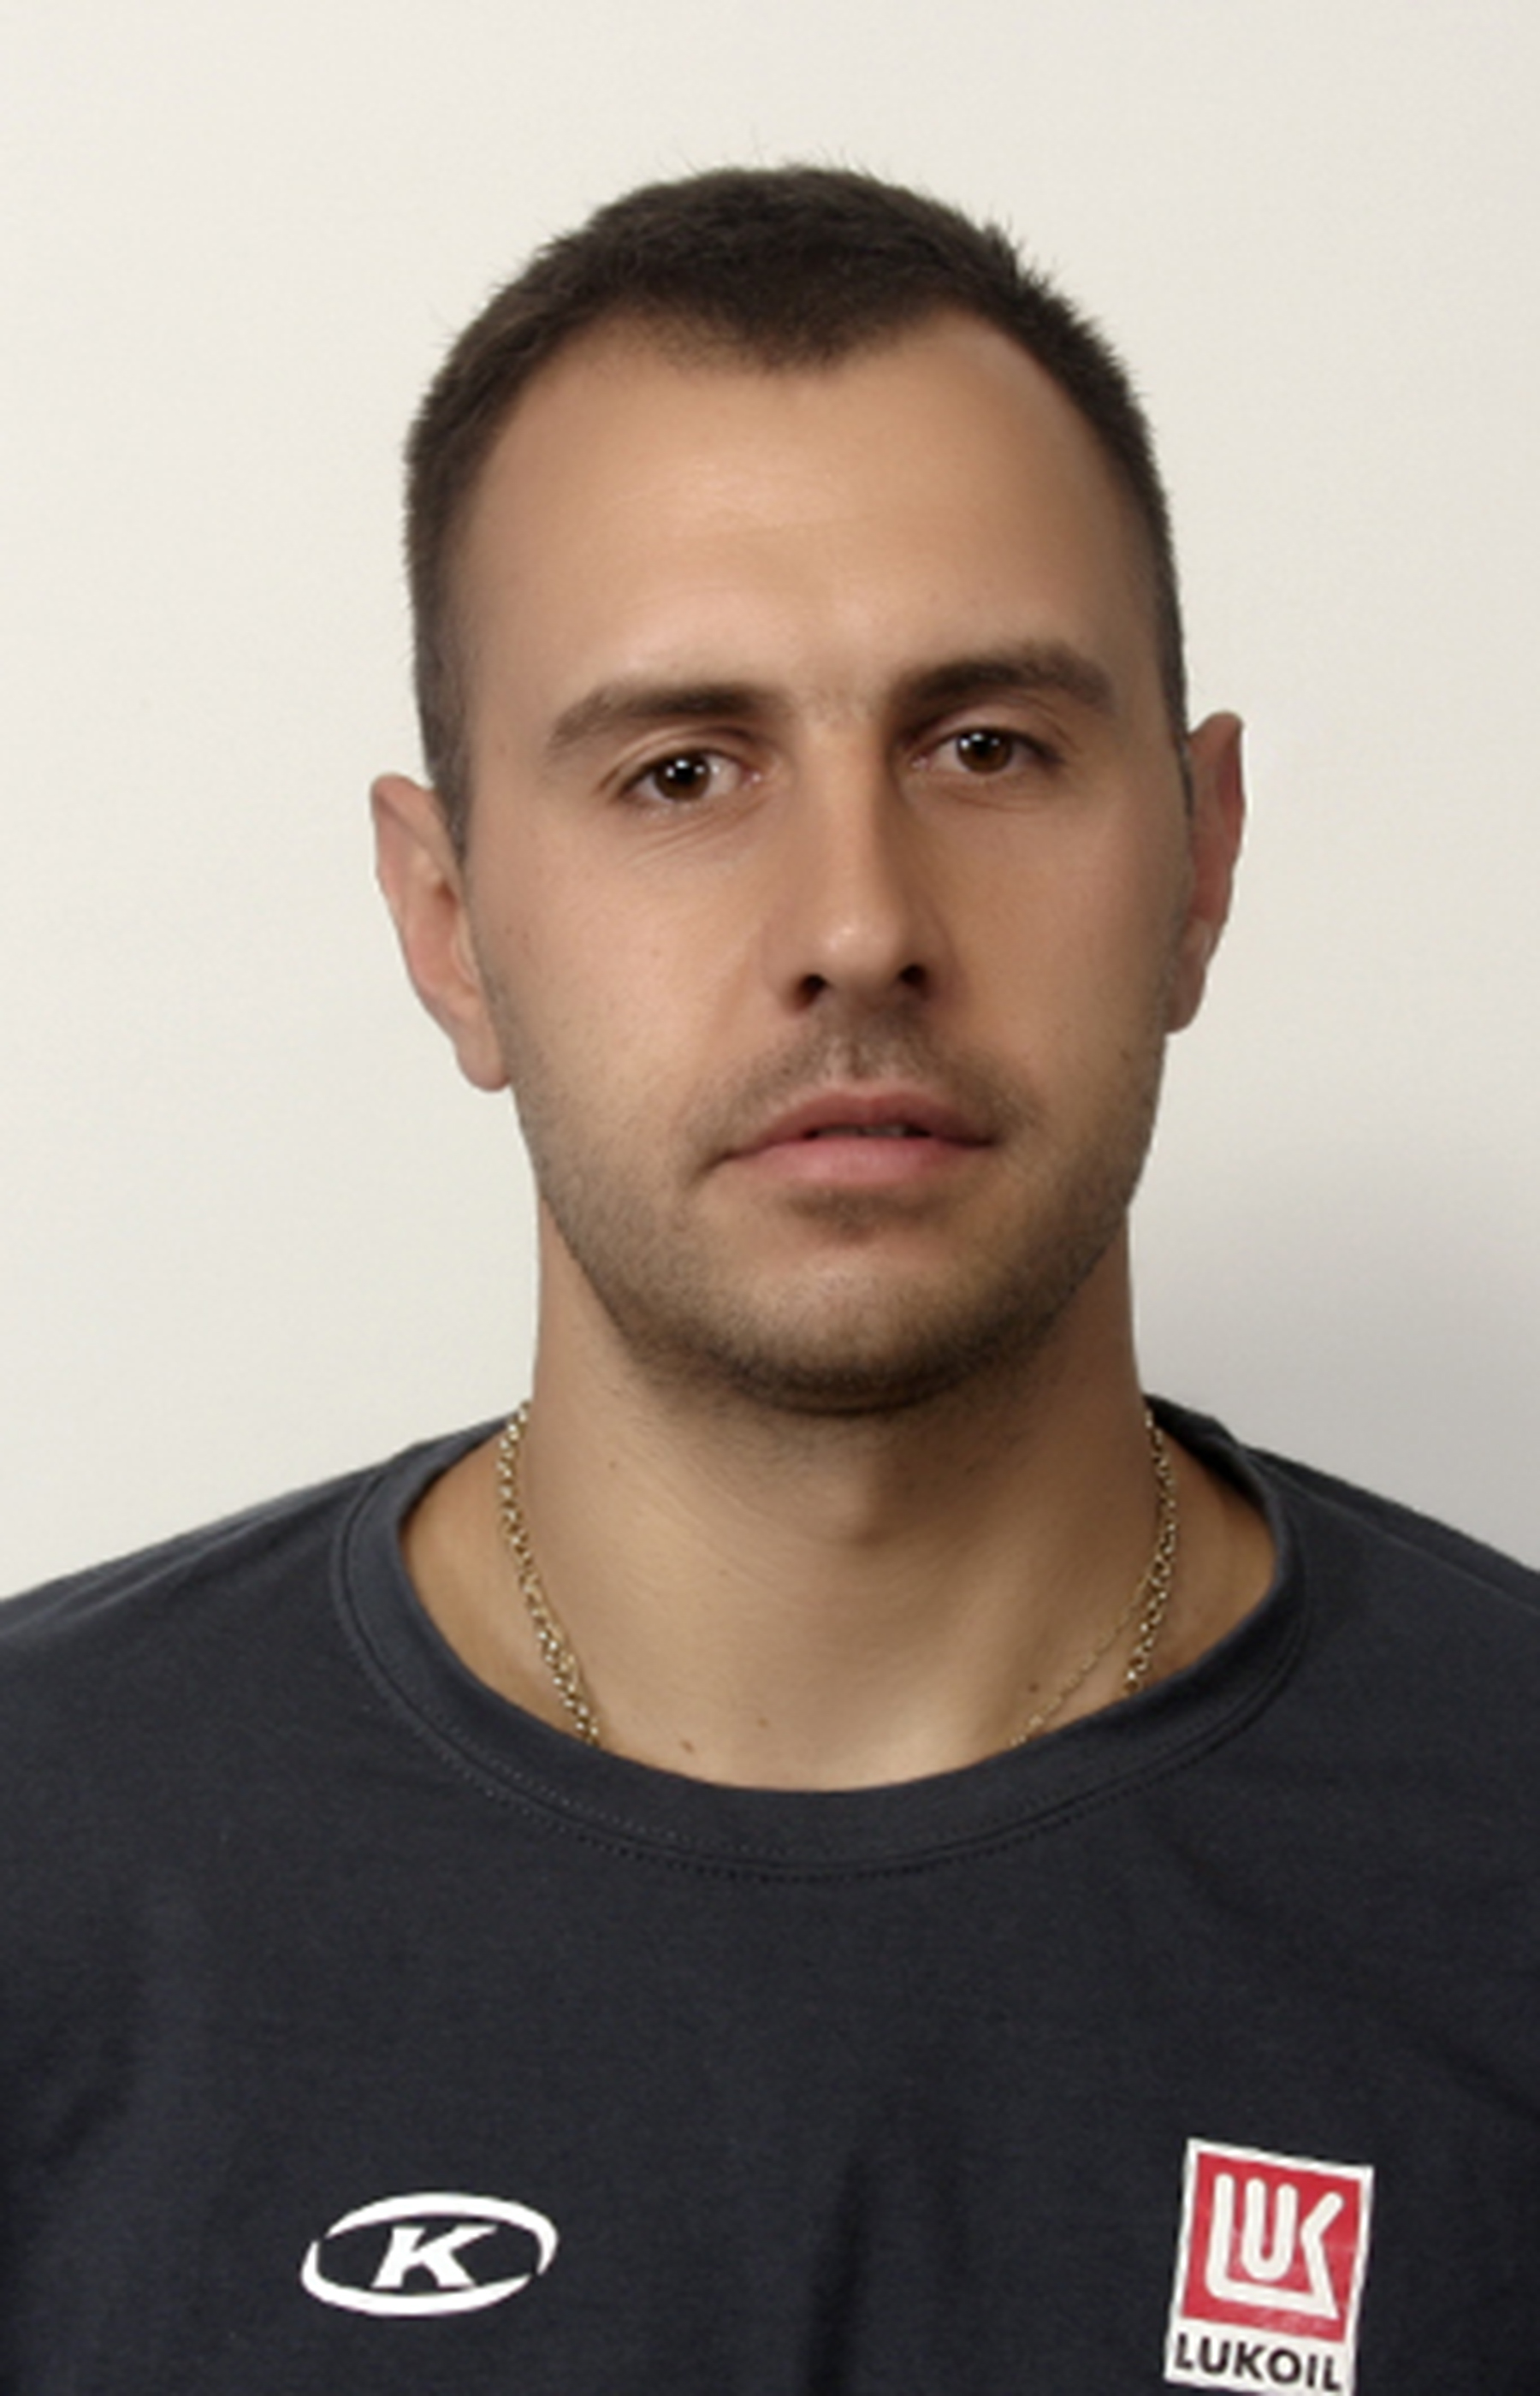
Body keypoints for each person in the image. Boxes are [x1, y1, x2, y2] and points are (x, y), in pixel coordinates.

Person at [2, 167, 1537, 2396]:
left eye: (987, 746)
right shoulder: (46, 1870)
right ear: (449, 923)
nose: (857, 921)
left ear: (1201, 863)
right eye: (683, 770)